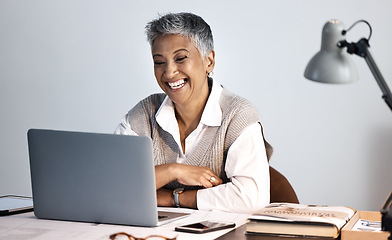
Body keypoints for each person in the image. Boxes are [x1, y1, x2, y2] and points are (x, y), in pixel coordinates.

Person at [115, 12, 272, 213]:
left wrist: (174, 199)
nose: (169, 72)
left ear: (209, 61)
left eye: (180, 58)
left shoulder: (238, 116)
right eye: (159, 62)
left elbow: (251, 198)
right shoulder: (143, 114)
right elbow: (111, 184)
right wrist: (173, 171)